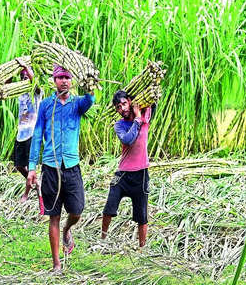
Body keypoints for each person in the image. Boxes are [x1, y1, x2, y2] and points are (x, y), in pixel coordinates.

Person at [26, 65, 95, 271]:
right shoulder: (47, 105)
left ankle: (67, 229)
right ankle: (56, 263)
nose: (64, 81)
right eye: (60, 77)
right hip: (50, 168)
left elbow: (89, 99)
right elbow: (37, 135)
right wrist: (31, 168)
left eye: (67, 77)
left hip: (72, 166)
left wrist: (90, 84)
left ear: (72, 80)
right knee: (53, 215)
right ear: (54, 81)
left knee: (77, 211)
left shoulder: (77, 104)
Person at [101, 90, 155, 248]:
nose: (122, 108)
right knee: (109, 207)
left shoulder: (145, 115)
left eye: (124, 103)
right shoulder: (120, 125)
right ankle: (102, 239)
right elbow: (128, 139)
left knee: (142, 215)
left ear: (130, 102)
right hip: (123, 173)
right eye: (118, 107)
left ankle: (142, 248)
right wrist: (137, 120)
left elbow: (153, 99)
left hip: (141, 174)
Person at [13, 66, 43, 203]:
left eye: (26, 77)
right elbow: (6, 86)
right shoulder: (20, 93)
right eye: (22, 77)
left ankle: (26, 194)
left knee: (31, 166)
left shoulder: (37, 93)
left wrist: (26, 67)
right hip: (21, 133)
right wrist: (12, 70)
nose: (24, 80)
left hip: (32, 133)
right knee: (19, 165)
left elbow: (35, 84)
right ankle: (37, 184)